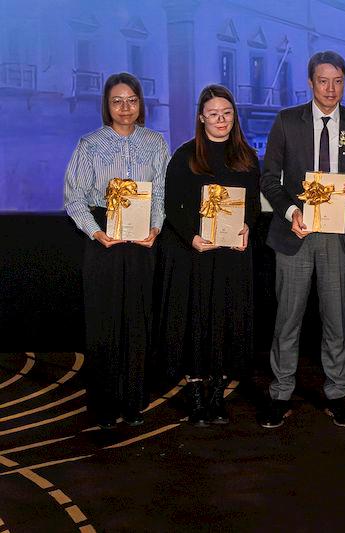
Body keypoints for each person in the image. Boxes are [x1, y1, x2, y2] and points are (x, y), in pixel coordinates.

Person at [260, 51, 345, 429]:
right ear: (310, 82)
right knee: (287, 319)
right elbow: (269, 180)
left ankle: (338, 393)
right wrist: (292, 212)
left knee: (336, 319)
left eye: (338, 81)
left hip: (339, 235)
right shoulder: (286, 121)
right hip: (296, 233)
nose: (330, 88)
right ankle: (279, 393)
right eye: (323, 81)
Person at [63, 72, 168, 429]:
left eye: (132, 101)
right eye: (117, 101)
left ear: (141, 104)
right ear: (107, 106)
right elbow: (73, 197)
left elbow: (161, 192)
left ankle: (134, 402)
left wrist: (156, 228)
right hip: (104, 241)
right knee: (104, 325)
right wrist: (96, 233)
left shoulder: (155, 143)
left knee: (137, 322)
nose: (125, 108)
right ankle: (104, 406)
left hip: (142, 242)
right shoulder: (89, 144)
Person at [157, 84, 260, 427]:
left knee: (226, 322)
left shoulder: (247, 156)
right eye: (213, 114)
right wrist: (193, 237)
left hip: (232, 254)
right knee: (198, 322)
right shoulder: (185, 155)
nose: (221, 120)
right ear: (201, 118)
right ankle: (197, 393)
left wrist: (247, 226)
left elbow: (253, 206)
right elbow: (172, 206)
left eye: (227, 113)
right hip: (197, 254)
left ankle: (218, 393)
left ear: (234, 116)